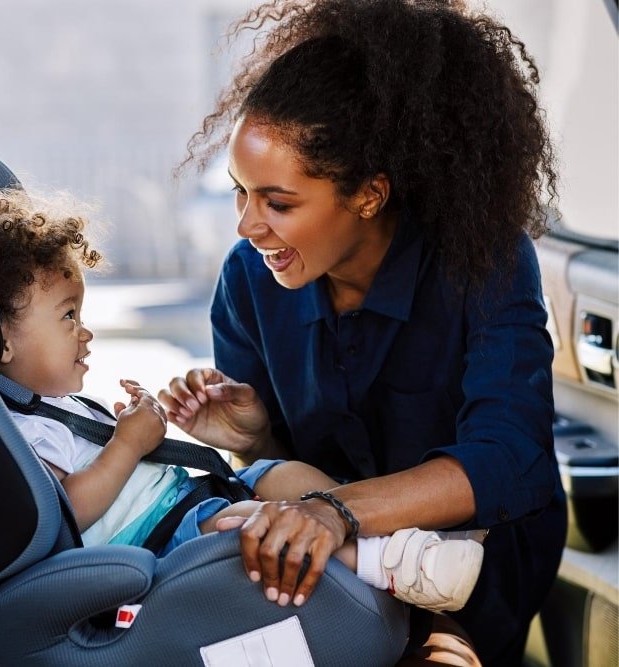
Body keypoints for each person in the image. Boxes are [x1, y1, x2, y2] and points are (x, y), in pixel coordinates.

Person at [158, 0, 567, 664]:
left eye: (278, 202)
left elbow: (508, 458)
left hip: (468, 571)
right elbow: (283, 473)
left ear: (369, 194)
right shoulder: (248, 281)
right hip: (333, 572)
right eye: (240, 191)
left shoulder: (482, 257)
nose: (247, 227)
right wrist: (254, 437)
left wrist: (336, 510)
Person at [0, 185, 485, 614]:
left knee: (277, 473)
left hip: (189, 502)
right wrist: (128, 445)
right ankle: (390, 567)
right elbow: (67, 512)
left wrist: (132, 429)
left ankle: (393, 538)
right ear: (0, 338)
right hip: (158, 543)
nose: (85, 333)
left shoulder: (60, 409)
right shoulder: (18, 431)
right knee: (250, 525)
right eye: (68, 317)